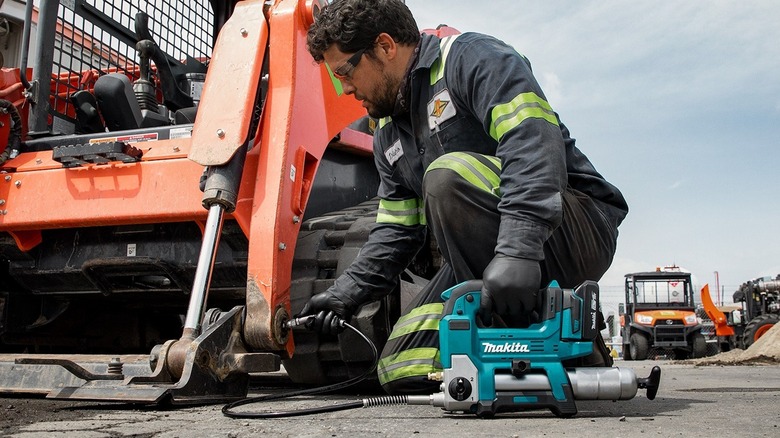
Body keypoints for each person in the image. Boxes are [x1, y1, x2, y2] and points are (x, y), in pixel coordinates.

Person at [300, 0, 628, 394]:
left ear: (385, 46)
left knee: (446, 176)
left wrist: (518, 252)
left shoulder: (473, 59)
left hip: (571, 230)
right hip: (488, 260)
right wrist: (342, 295)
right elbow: (396, 233)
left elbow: (533, 144)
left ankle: (556, 337)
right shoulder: (388, 135)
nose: (346, 89)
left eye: (344, 73)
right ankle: (550, 343)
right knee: (401, 368)